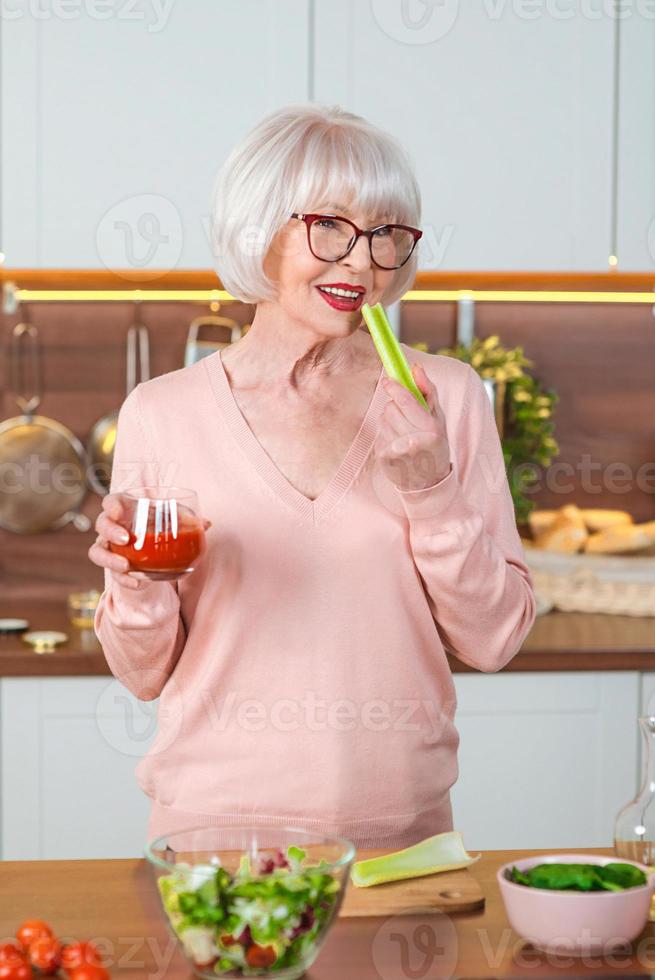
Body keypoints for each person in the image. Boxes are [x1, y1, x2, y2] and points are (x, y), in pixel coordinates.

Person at [91, 103, 536, 849]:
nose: (361, 261)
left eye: (386, 233)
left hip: (402, 838)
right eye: (329, 225)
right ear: (256, 228)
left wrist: (431, 490)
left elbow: (493, 639)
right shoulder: (161, 414)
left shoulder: (443, 400)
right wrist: (138, 585)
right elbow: (142, 673)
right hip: (216, 839)